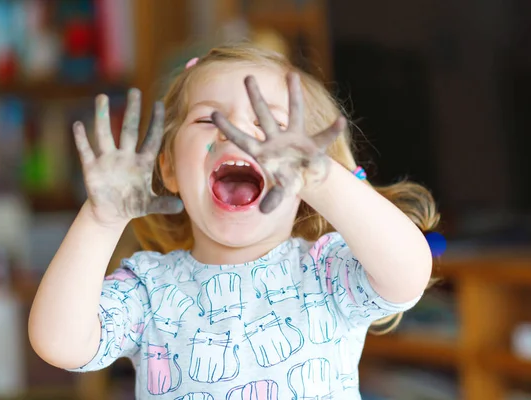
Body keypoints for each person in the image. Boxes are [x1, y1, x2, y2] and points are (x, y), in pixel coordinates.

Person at [28, 43, 439, 400]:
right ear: (168, 169)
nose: (236, 132)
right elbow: (60, 344)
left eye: (268, 125)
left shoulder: (327, 272)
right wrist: (101, 220)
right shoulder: (150, 288)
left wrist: (323, 179)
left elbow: (407, 275)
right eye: (209, 119)